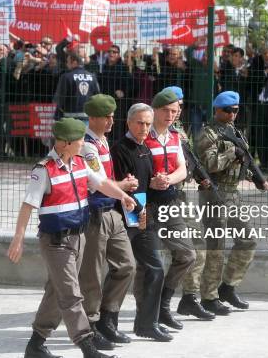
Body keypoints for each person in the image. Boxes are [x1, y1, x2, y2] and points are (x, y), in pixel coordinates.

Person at [8, 118, 135, 358]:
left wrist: (122, 196)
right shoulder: (43, 170)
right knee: (71, 294)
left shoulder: (79, 163)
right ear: (65, 143)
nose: (83, 144)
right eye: (78, 140)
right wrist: (18, 238)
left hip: (79, 237)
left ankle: (35, 345)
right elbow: (27, 205)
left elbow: (101, 184)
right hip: (56, 242)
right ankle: (87, 346)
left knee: (58, 292)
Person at [196, 91, 267, 315]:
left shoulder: (235, 131)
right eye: (228, 110)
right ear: (217, 110)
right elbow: (209, 164)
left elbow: (240, 162)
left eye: (235, 110)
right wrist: (231, 152)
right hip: (214, 194)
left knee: (247, 240)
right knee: (216, 247)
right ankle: (209, 296)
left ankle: (228, 286)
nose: (232, 114)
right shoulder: (208, 134)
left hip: (233, 194)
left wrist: (253, 177)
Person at [78, 94, 136, 349]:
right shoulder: (88, 145)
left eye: (113, 116)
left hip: (111, 212)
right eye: (107, 117)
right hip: (94, 215)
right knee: (91, 273)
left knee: (127, 265)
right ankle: (90, 327)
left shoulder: (102, 140)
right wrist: (124, 186)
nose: (112, 121)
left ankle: (108, 318)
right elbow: (98, 183)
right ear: (93, 118)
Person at [111, 103, 172, 342]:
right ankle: (108, 324)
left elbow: (145, 185)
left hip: (144, 217)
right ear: (128, 123)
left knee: (155, 269)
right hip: (124, 220)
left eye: (148, 123)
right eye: (140, 123)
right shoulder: (119, 150)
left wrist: (157, 184)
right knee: (121, 271)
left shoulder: (145, 148)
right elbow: (118, 187)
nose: (144, 128)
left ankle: (147, 324)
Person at [144, 90, 196, 330]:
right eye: (166, 110)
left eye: (174, 111)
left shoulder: (175, 137)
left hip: (169, 201)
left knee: (186, 254)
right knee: (144, 262)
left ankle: (164, 306)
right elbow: (127, 168)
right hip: (143, 203)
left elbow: (182, 169)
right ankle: (146, 315)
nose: (170, 115)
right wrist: (149, 182)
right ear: (155, 110)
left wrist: (168, 179)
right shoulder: (142, 135)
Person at [53, 52, 100, 122]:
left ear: (74, 62)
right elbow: (97, 96)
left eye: (68, 62)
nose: (66, 64)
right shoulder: (92, 76)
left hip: (69, 117)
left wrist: (58, 114)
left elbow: (60, 98)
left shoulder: (66, 77)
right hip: (87, 116)